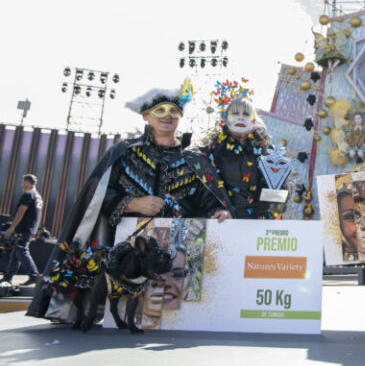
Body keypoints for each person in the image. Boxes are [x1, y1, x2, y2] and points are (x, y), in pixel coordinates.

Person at [28, 80, 232, 322]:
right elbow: (96, 198)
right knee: (124, 312)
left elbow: (207, 198)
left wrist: (220, 210)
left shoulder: (196, 159)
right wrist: (132, 204)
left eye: (174, 111)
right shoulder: (125, 152)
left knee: (170, 317)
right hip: (128, 248)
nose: (167, 116)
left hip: (177, 248)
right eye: (160, 111)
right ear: (146, 116)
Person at [202, 98, 273, 219]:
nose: (241, 117)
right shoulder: (212, 152)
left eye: (246, 114)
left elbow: (281, 197)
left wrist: (270, 199)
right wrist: (219, 209)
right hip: (225, 221)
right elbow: (206, 190)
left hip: (260, 225)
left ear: (254, 121)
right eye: (235, 113)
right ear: (225, 120)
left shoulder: (268, 152)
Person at [1, 174, 43, 286]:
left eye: (22, 182)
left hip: (23, 228)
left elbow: (21, 211)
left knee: (22, 250)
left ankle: (34, 275)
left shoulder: (28, 194)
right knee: (16, 252)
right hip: (30, 229)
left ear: (27, 182)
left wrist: (12, 227)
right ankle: (8, 277)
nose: (21, 185)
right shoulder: (37, 196)